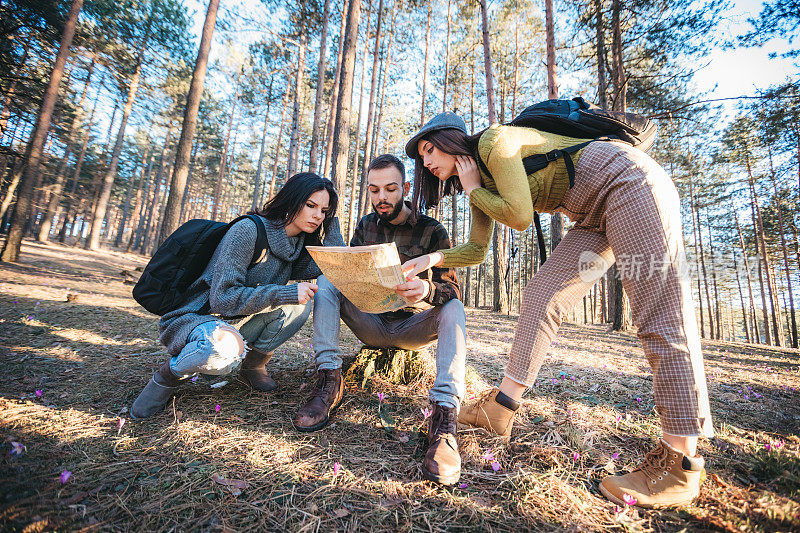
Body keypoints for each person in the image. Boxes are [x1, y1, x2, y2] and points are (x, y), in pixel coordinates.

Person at [401, 112, 714, 508]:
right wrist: (432, 258)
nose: (426, 161)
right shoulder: (477, 182)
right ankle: (502, 409)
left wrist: (473, 188)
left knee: (659, 310)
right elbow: (478, 250)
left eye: (430, 148)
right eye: (421, 158)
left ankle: (680, 462)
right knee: (542, 295)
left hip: (630, 184)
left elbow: (517, 216)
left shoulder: (492, 143)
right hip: (592, 215)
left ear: (452, 139)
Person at [293, 154, 467, 486]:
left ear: (405, 188)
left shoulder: (432, 230)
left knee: (455, 308)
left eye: (389, 189)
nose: (381, 198)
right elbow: (351, 272)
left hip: (411, 327)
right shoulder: (365, 226)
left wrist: (426, 289)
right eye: (374, 190)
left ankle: (444, 418)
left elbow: (452, 289)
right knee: (327, 280)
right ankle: (329, 379)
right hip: (370, 322)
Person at [130, 173, 343, 419]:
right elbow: (223, 298)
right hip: (198, 318)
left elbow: (333, 263)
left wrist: (332, 222)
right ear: (292, 200)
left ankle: (252, 366)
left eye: (324, 210)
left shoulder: (296, 244)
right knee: (220, 350)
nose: (318, 215)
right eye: (311, 205)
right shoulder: (248, 230)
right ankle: (168, 376)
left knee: (299, 305)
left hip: (239, 320)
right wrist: (284, 293)